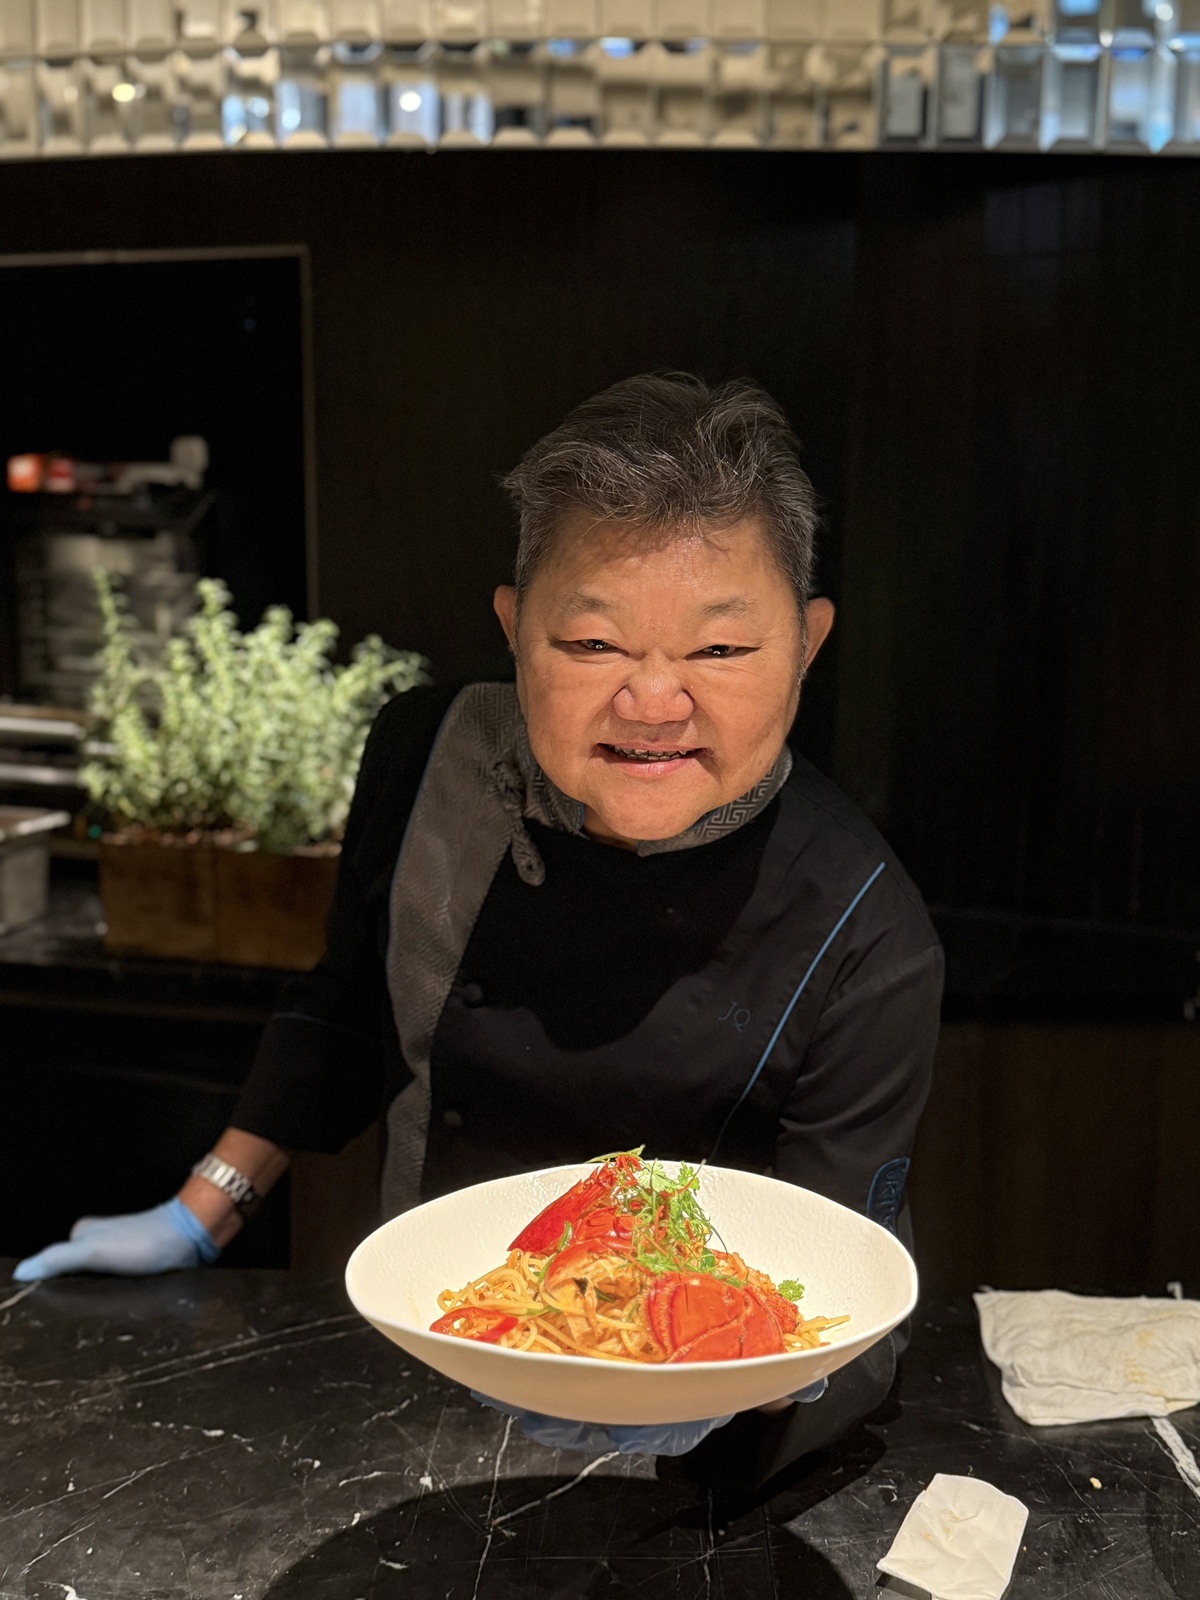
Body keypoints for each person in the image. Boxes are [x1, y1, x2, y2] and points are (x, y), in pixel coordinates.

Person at [14, 373, 942, 1490]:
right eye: (592, 643)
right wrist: (203, 1207)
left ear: (808, 644)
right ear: (513, 629)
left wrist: (697, 1400)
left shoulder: (869, 930)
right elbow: (347, 1002)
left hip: (693, 1436)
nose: (654, 702)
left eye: (722, 652)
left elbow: (840, 1282)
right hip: (420, 1356)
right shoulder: (428, 750)